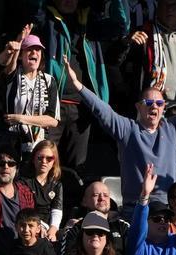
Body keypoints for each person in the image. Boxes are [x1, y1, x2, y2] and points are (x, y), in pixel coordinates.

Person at [66, 50, 176, 207]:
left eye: (159, 103)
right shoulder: (128, 129)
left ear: (163, 108)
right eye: (148, 102)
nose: (154, 106)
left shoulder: (173, 129)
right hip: (134, 207)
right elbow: (103, 111)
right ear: (138, 107)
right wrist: (78, 86)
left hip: (168, 207)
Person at [28, 0, 130, 174]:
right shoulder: (46, 21)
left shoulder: (89, 22)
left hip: (81, 109)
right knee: (43, 164)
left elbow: (121, 26)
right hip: (51, 108)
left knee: (76, 168)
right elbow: (34, 9)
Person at [0, 32, 61, 158]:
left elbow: (53, 120)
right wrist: (18, 44)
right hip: (12, 143)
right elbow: (9, 66)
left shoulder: (49, 80)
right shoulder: (12, 76)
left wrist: (20, 118)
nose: (34, 52)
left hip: (40, 145)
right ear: (21, 55)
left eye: (38, 49)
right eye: (29, 49)